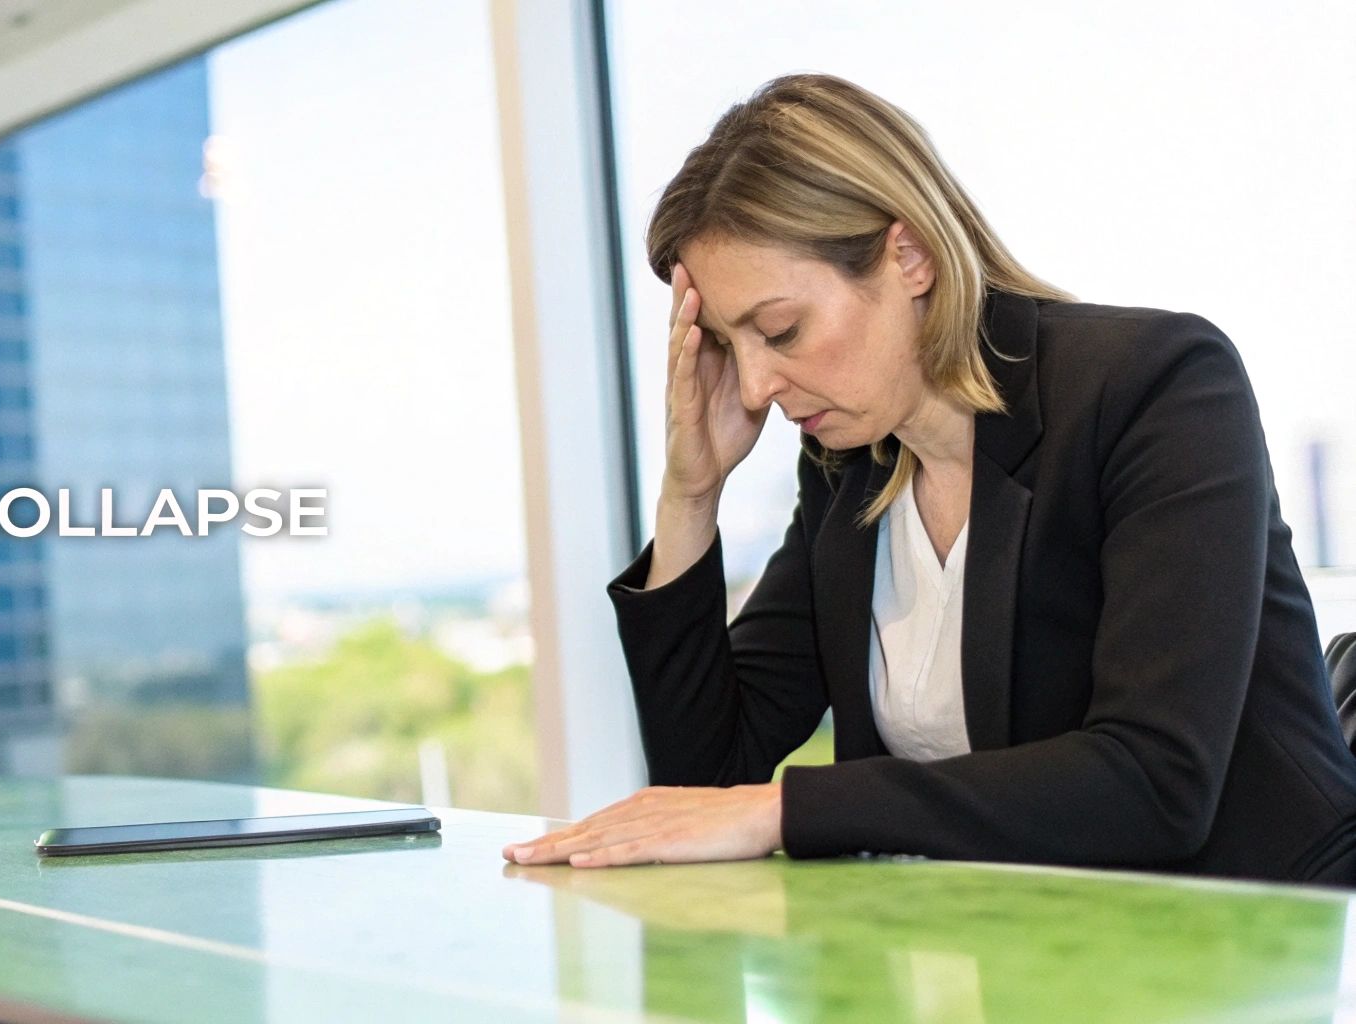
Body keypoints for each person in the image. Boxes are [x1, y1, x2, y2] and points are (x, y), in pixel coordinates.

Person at [500, 73, 1356, 883]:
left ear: (908, 256)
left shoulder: (1155, 387)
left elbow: (1153, 781)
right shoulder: (851, 468)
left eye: (782, 330)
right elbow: (709, 774)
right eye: (730, 344)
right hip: (1005, 953)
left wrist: (787, 811)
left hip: (1245, 942)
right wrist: (692, 494)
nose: (756, 387)